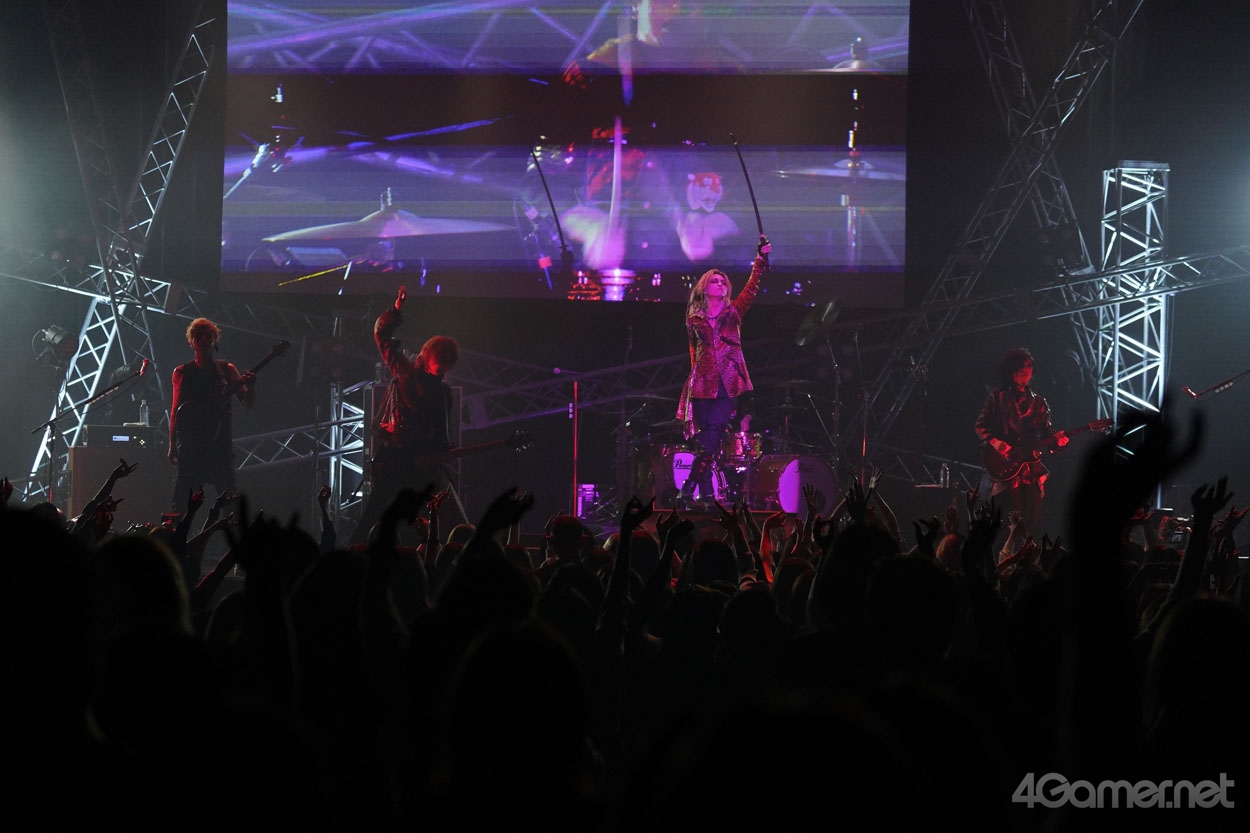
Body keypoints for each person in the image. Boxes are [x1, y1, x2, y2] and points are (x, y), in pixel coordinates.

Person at [350, 285, 460, 545]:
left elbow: (439, 430)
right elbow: (381, 334)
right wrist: (396, 310)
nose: (443, 366)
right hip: (404, 461)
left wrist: (441, 449)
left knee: (429, 514)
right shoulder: (413, 377)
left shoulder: (434, 388)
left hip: (413, 461)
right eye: (442, 360)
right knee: (385, 514)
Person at [674, 237, 770, 507]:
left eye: (723, 281)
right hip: (701, 384)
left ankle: (688, 487)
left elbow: (751, 289)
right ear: (704, 288)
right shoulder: (694, 319)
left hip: (728, 384)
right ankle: (706, 495)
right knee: (705, 441)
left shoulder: (733, 313)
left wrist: (760, 261)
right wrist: (691, 383)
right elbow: (693, 353)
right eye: (715, 281)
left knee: (714, 433)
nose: (720, 283)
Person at [974, 347, 1068, 543]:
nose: (1026, 369)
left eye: (1029, 365)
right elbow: (980, 426)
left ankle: (1029, 553)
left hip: (1029, 470)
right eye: (1021, 365)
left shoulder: (1039, 403)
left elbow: (1047, 435)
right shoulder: (997, 396)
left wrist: (1058, 441)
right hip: (1004, 466)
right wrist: (997, 443)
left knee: (1031, 521)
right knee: (1003, 521)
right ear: (1011, 370)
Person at [167, 318, 255, 509]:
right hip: (191, 450)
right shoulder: (181, 372)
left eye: (208, 336)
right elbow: (175, 411)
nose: (203, 340)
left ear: (214, 340)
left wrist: (252, 387)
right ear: (191, 342)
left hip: (220, 450)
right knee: (180, 505)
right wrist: (172, 444)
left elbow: (247, 403)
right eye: (198, 336)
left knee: (230, 507)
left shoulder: (227, 370)